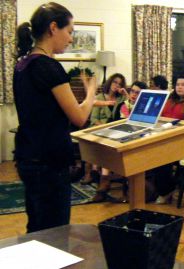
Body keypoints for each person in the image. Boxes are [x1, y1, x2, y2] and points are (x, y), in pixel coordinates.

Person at [14, 2, 97, 233]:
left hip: (29, 155)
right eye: (69, 32)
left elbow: (48, 108)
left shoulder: (24, 63)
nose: (70, 39)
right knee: (55, 233)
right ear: (53, 28)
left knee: (38, 226)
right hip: (48, 163)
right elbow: (79, 117)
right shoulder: (48, 67)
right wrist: (91, 91)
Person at [88, 73, 128, 202]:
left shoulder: (121, 99)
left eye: (119, 84)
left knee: (108, 145)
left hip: (114, 131)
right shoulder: (100, 97)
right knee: (101, 142)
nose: (116, 85)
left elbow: (130, 107)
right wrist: (103, 127)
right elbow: (94, 119)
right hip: (98, 128)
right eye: (115, 82)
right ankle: (97, 175)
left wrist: (125, 93)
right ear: (110, 82)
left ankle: (99, 178)